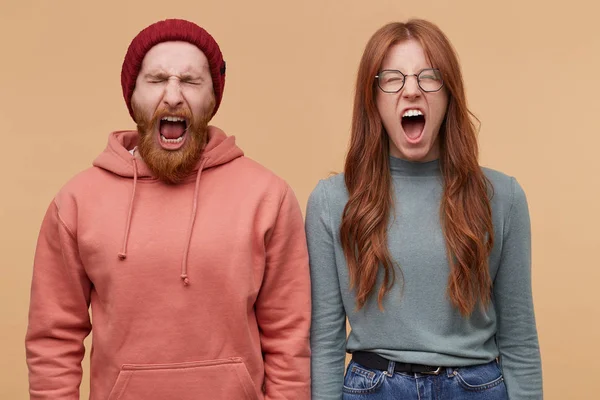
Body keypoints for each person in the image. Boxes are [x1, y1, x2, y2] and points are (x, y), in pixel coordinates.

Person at [25, 18, 311, 400]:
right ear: (132, 96)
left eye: (191, 81)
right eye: (157, 80)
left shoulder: (268, 196)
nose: (173, 96)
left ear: (213, 98)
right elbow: (53, 338)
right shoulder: (76, 201)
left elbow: (288, 336)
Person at [306, 19, 542, 399]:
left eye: (429, 77)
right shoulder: (331, 201)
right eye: (393, 78)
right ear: (373, 97)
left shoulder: (504, 197)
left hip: (476, 387)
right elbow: (325, 341)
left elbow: (520, 338)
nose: (411, 91)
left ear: (449, 94)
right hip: (373, 388)